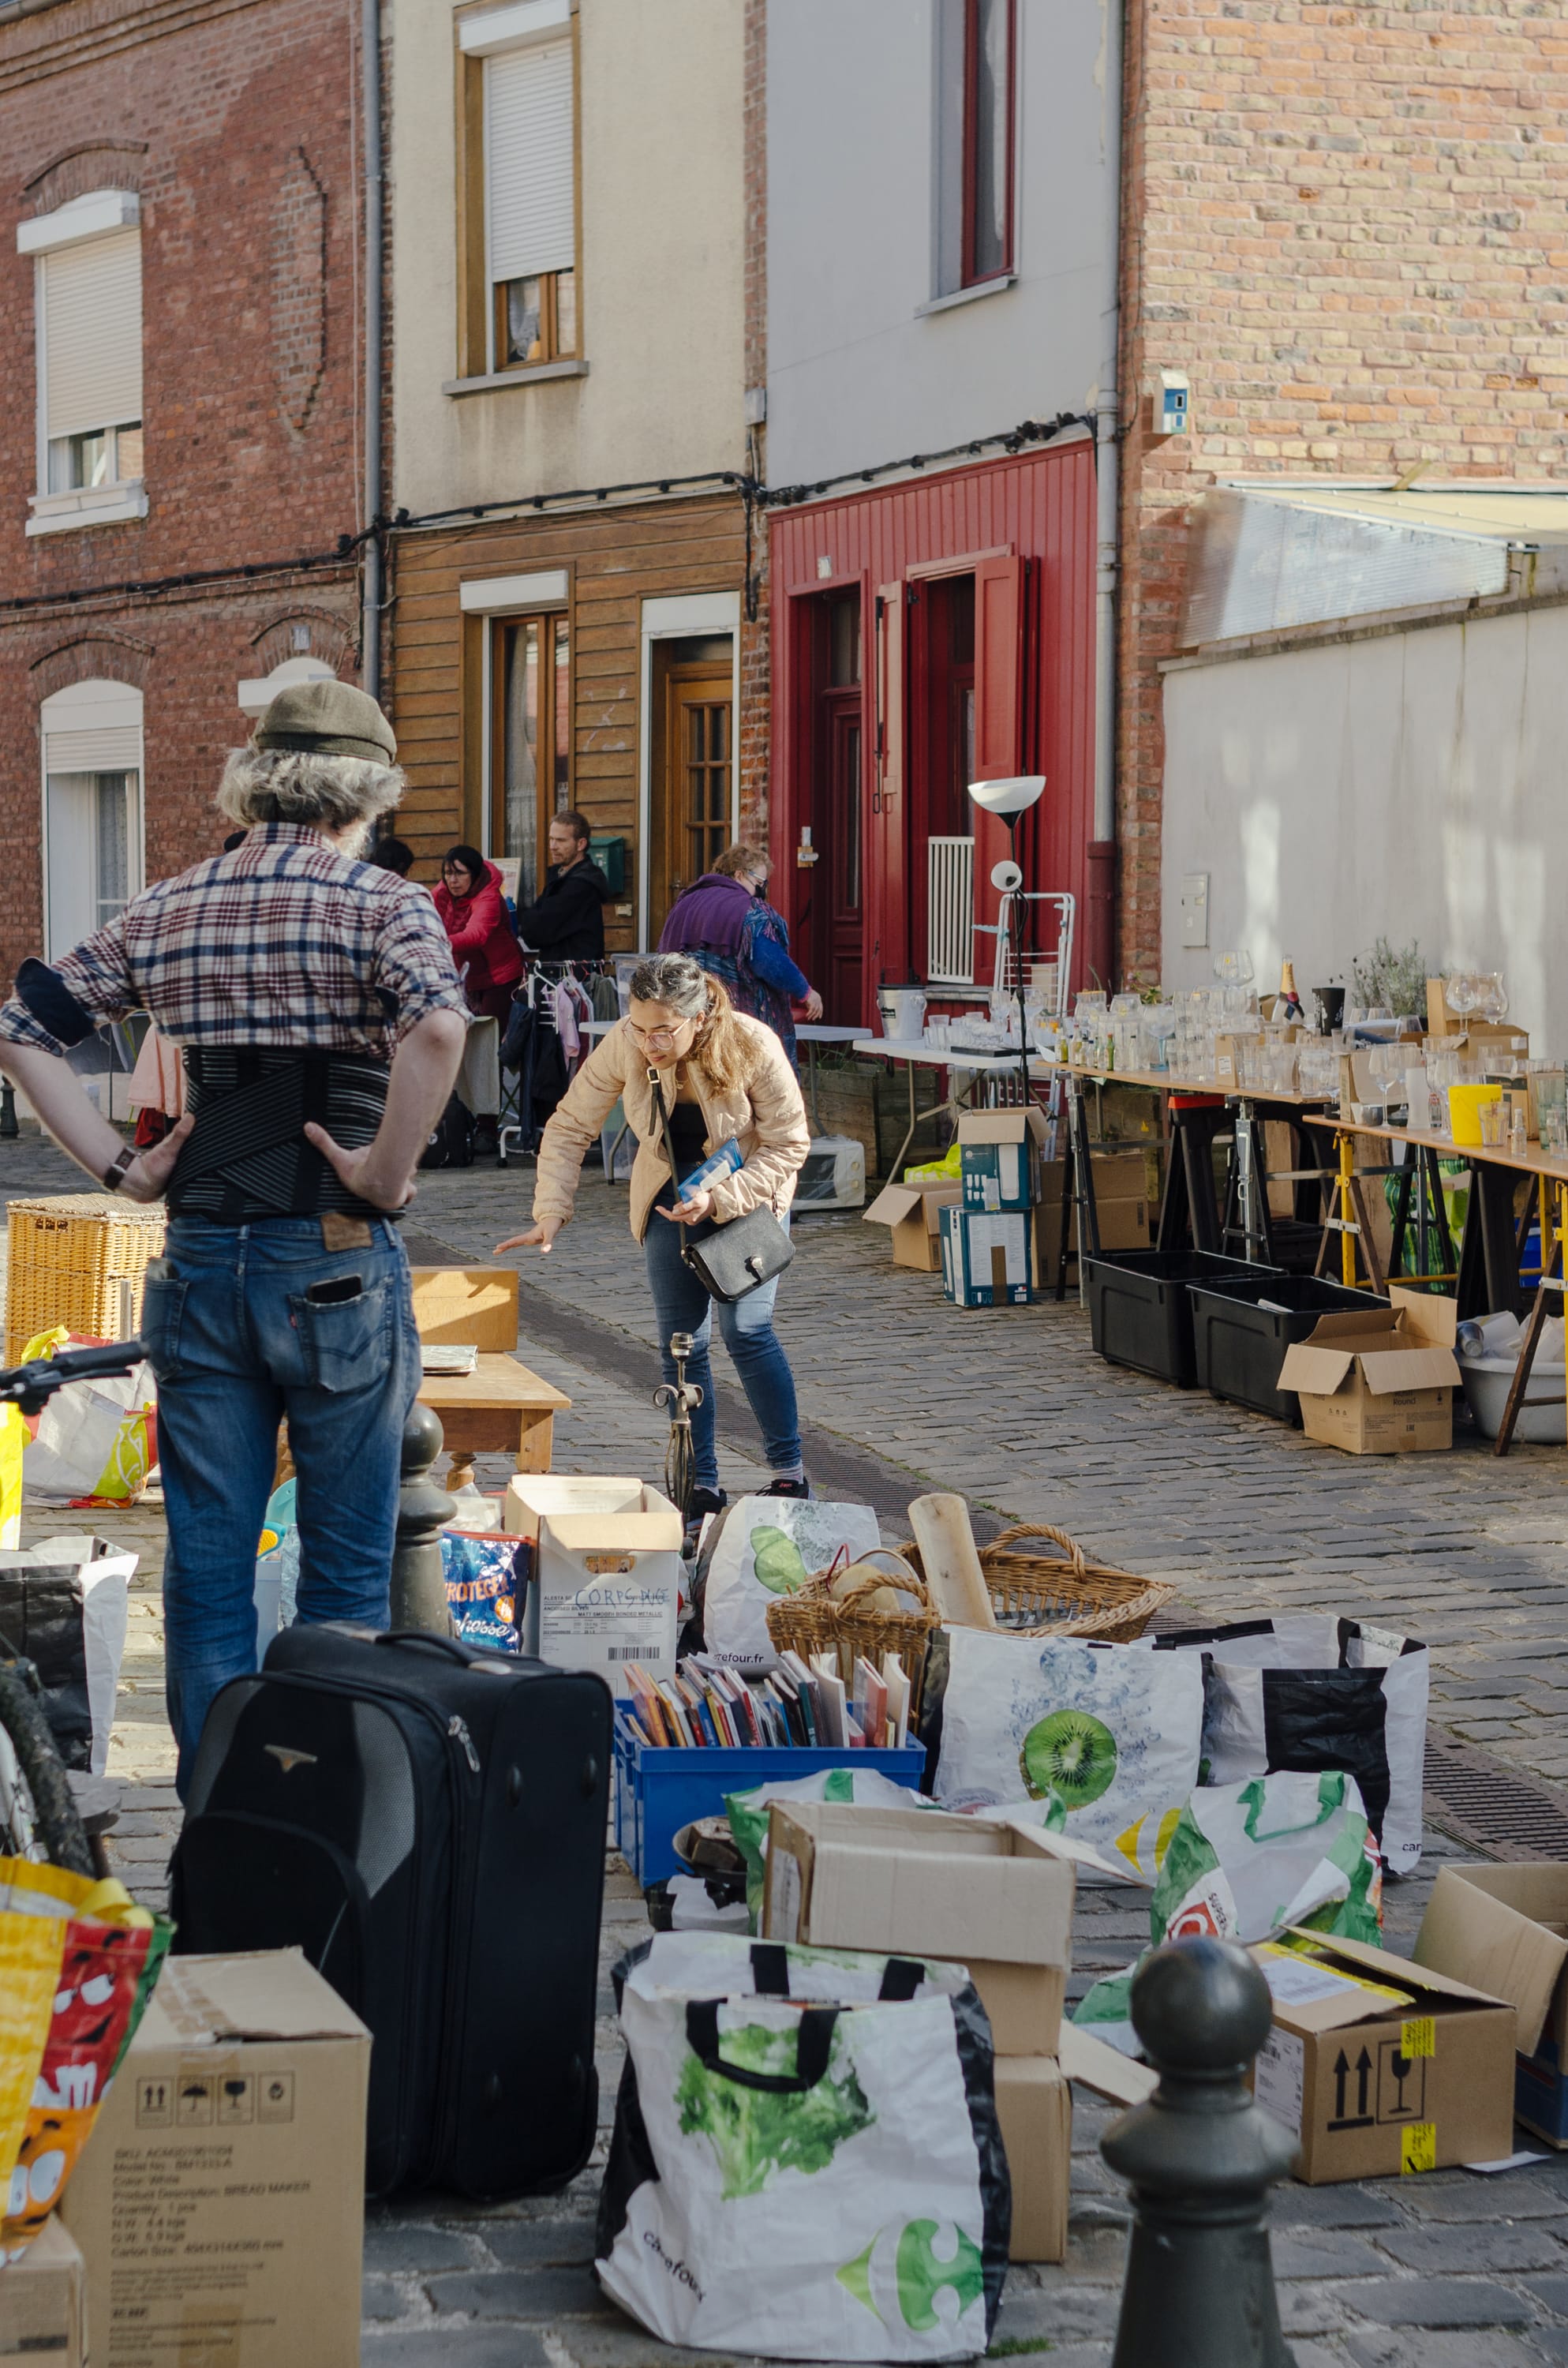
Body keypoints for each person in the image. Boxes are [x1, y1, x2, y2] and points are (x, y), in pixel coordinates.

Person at [0, 680, 468, 1794]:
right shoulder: (379, 906)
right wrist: (384, 1171)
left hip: (203, 1257)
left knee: (207, 1575)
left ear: (254, 782)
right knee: (346, 1579)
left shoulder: (169, 906)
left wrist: (123, 1166)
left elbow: (23, 1032)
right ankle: (319, 1817)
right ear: (366, 794)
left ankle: (220, 1818)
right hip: (336, 1254)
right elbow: (439, 1030)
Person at [496, 950, 811, 1516]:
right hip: (670, 1198)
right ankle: (700, 1486)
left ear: (697, 1017)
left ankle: (789, 1473)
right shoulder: (626, 1040)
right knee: (682, 1347)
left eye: (662, 1032)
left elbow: (790, 1142)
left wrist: (722, 1199)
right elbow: (569, 1126)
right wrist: (551, 1211)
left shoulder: (751, 1042)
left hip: (750, 1194)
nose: (649, 1044)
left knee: (747, 1330)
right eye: (639, 1029)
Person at [659, 841, 821, 1067]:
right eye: (759, 882)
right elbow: (768, 960)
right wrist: (806, 992)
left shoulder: (685, 903)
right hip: (735, 1024)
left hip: (685, 1022)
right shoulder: (748, 909)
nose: (761, 890)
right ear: (739, 874)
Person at [434, 844, 525, 1020]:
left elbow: (477, 935)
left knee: (489, 1036)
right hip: (467, 979)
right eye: (448, 873)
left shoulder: (488, 896)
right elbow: (423, 910)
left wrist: (435, 943)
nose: (453, 880)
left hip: (500, 977)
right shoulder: (445, 890)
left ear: (474, 874)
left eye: (460, 873)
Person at [515, 811, 612, 961]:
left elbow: (539, 930)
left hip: (573, 977)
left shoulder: (581, 885)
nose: (553, 846)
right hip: (557, 972)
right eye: (551, 839)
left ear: (581, 844)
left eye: (560, 840)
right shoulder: (559, 875)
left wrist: (520, 918)